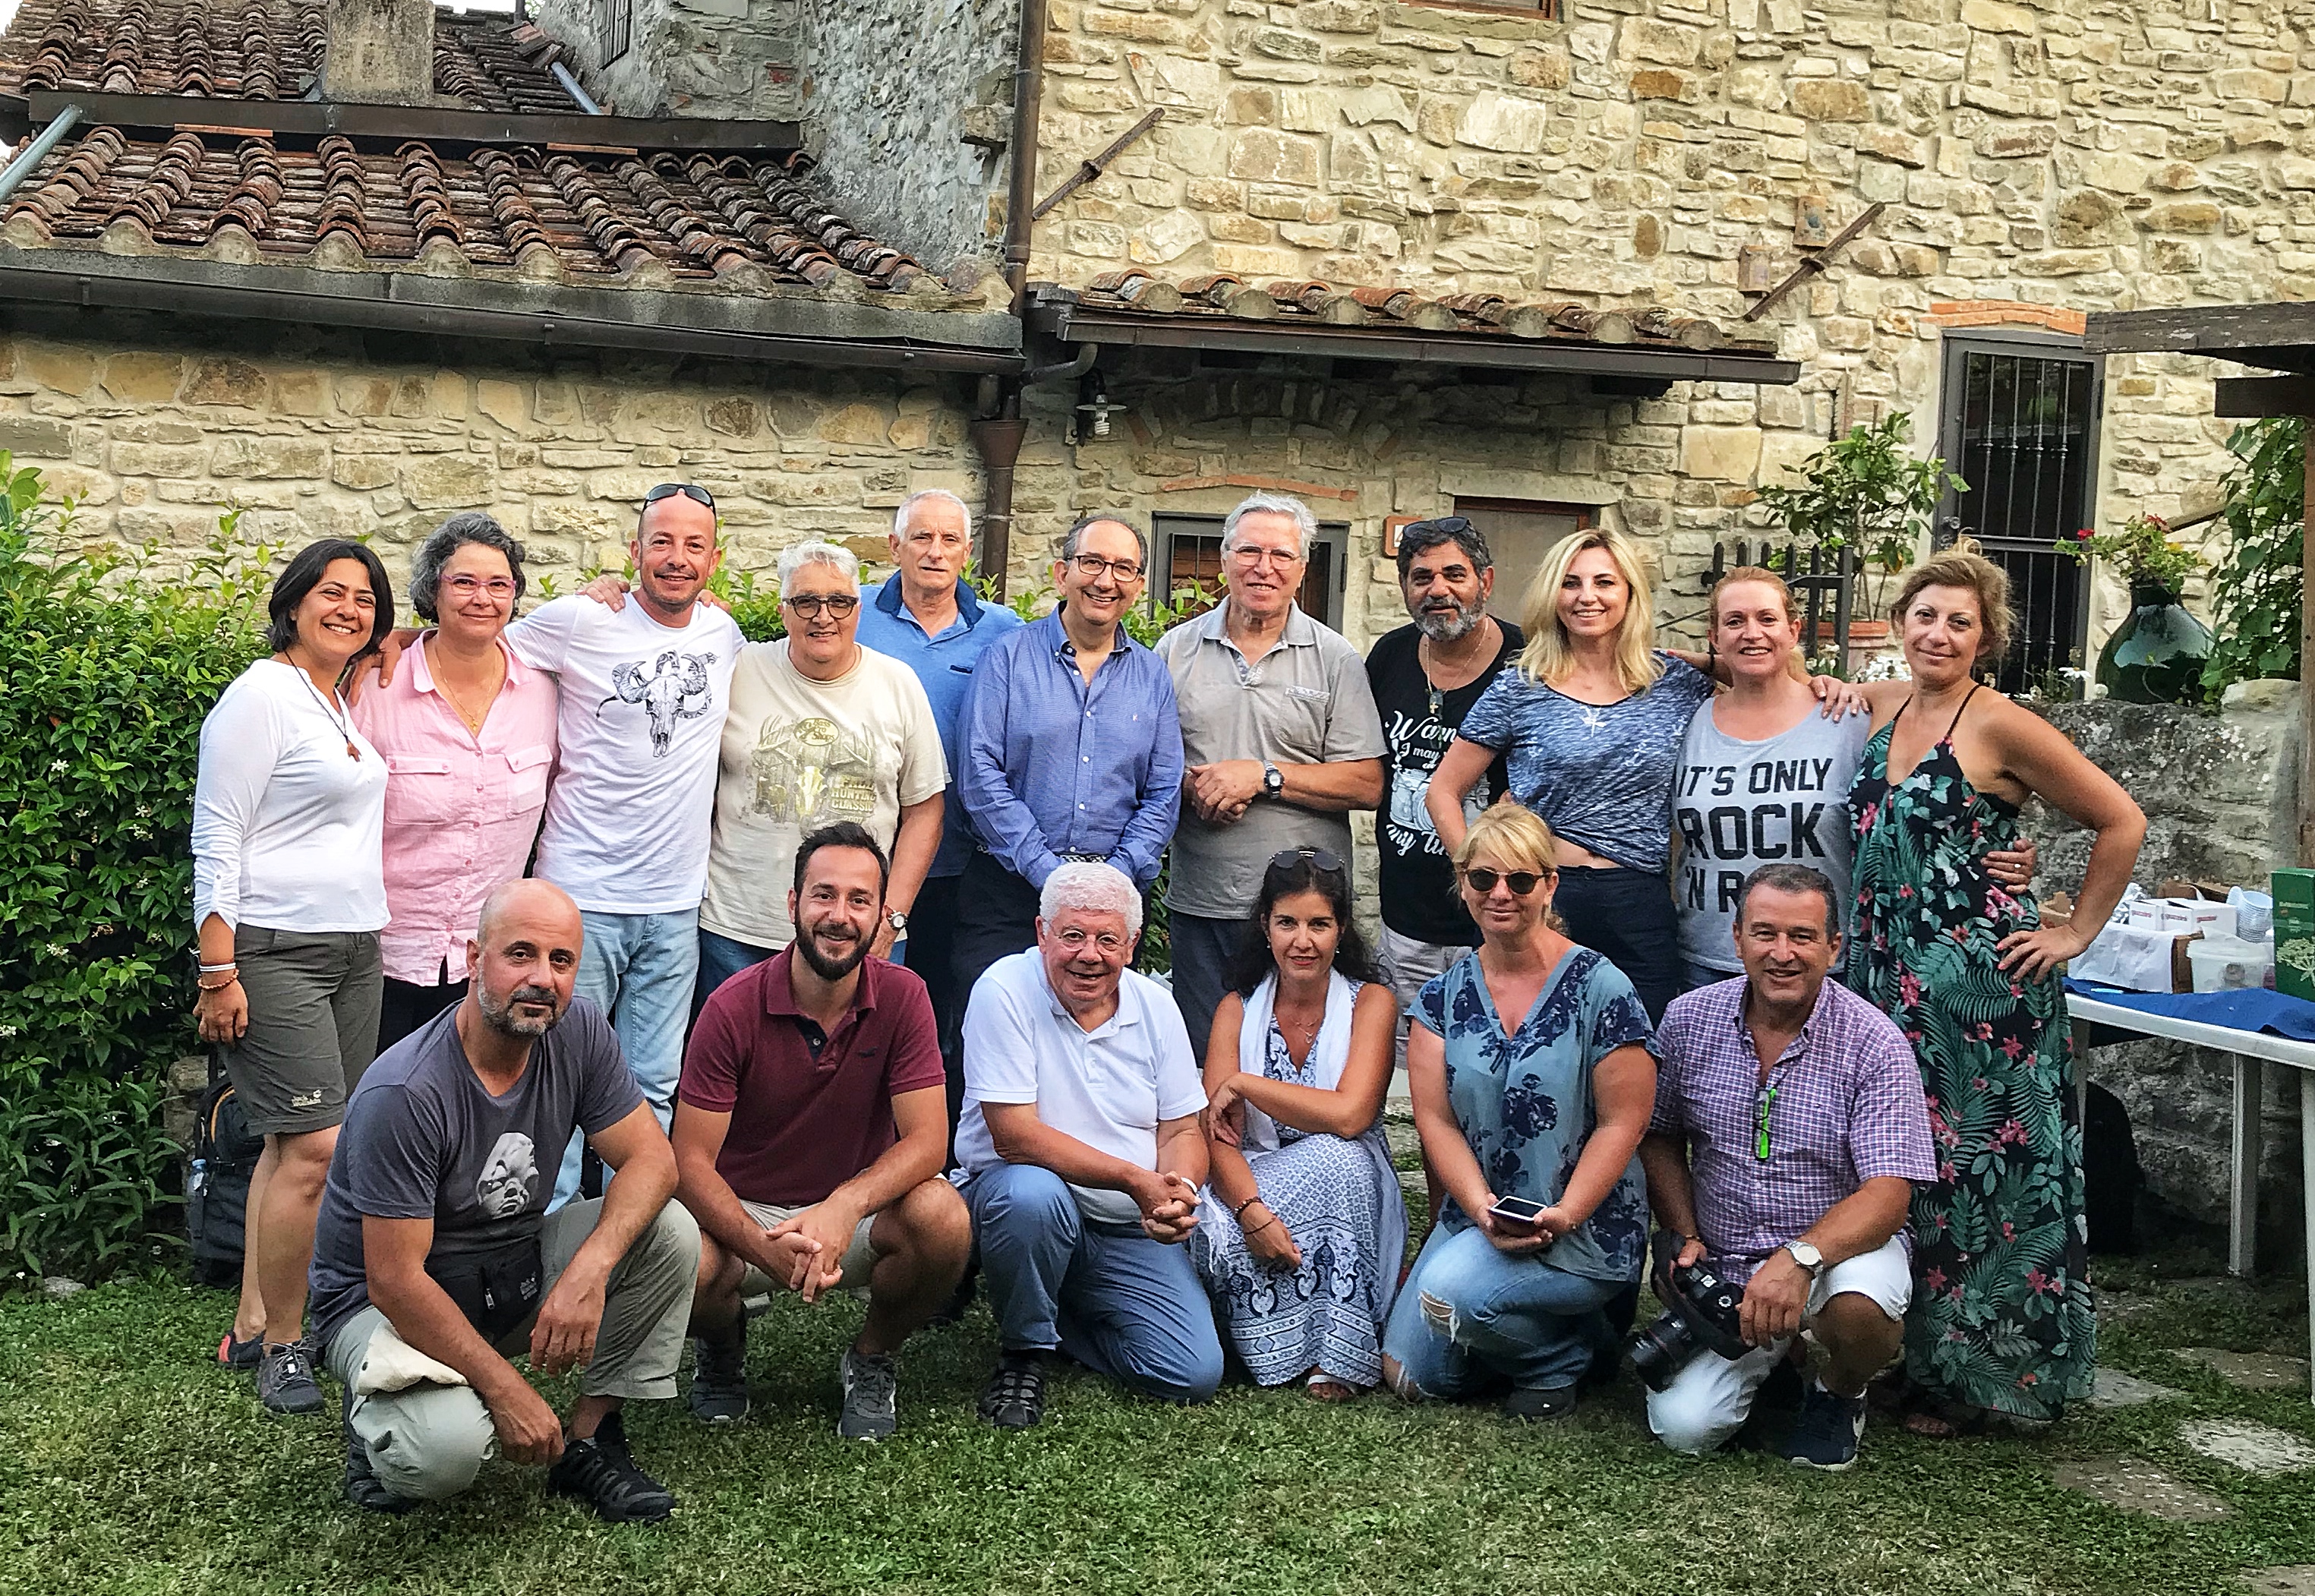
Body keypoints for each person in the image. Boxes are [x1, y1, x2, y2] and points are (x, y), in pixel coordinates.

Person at [1843, 550, 2145, 1435]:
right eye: (1925, 614)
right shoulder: (1882, 704)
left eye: (1958, 621)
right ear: (1900, 619)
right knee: (1911, 1171)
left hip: (1982, 992)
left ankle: (1986, 1378)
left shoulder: (2003, 723)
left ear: (1987, 638)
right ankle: (1914, 1356)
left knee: (1986, 1176)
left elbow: (2120, 818)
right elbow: (1780, 672)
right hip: (1884, 980)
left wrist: (2071, 931)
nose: (1937, 633)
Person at [308, 879, 702, 1522]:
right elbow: (394, 1281)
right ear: (472, 958)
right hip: (380, 1307)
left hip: (506, 1270)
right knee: (442, 1455)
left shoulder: (577, 1032)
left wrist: (588, 1272)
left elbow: (653, 1160)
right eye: (520, 954)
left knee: (668, 1231)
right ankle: (379, 1420)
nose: (542, 978)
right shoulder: (405, 1091)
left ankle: (589, 1439)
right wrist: (507, 1390)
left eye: (561, 960)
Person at [412, 483, 743, 1206]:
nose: (676, 559)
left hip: (675, 907)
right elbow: (470, 642)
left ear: (715, 560)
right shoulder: (576, 620)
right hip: (579, 906)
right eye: (661, 542)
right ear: (634, 552)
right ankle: (538, 1245)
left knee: (652, 1089)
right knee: (549, 1085)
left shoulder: (724, 636)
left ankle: (632, 1246)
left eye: (694, 546)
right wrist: (393, 640)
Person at [1427, 529, 1853, 1024]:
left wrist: (1819, 683)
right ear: (1552, 595)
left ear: (1629, 593)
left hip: (1639, 902)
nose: (1587, 597)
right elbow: (1443, 790)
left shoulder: (1673, 682)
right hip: (1542, 896)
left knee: (1640, 1057)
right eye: (1571, 583)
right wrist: (1477, 880)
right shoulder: (1520, 685)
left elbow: (1761, 671)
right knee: (1537, 1056)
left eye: (1604, 582)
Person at [675, 824, 971, 1440]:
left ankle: (871, 1356)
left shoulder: (904, 995)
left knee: (944, 1218)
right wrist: (761, 1250)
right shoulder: (731, 1006)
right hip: (748, 1213)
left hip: (854, 1210)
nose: (839, 916)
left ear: (880, 915)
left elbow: (927, 1142)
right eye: (823, 895)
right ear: (792, 904)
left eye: (859, 900)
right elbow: (689, 1162)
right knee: (682, 1253)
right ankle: (722, 1346)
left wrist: (845, 1205)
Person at [1639, 863, 1938, 1469]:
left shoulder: (1874, 1042)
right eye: (1764, 933)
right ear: (1736, 938)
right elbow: (1660, 1135)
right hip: (1728, 1267)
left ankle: (1841, 1390)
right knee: (1683, 1429)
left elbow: (1888, 1194)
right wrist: (1684, 1232)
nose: (1782, 953)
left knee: (1862, 1312)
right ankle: (1779, 1360)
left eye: (1802, 937)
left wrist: (1799, 1260)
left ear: (1834, 946)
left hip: (1838, 1253)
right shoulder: (1687, 1020)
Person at [193, 538, 395, 1414]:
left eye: (364, 599)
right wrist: (217, 968)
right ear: (294, 601)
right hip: (274, 950)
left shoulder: (334, 697)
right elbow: (218, 834)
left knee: (295, 1143)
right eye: (331, 593)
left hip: (354, 946)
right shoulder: (262, 695)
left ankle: (250, 1318)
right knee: (313, 1148)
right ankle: (286, 1343)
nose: (348, 609)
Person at [1382, 803, 1655, 1421]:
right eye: (1482, 879)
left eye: (1520, 880)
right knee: (1410, 1377)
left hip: (1584, 1223)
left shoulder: (1601, 988)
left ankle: (1553, 1359)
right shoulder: (1440, 999)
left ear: (1549, 884)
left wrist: (1564, 1215)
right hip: (1482, 1216)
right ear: (1463, 884)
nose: (1499, 893)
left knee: (1455, 1300)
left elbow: (1624, 1122)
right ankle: (1566, 1339)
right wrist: (1479, 1208)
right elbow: (1435, 1122)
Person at [1672, 567, 2036, 995]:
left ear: (1794, 630)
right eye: (1735, 622)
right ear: (1714, 637)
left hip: (1821, 965)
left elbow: (1905, 806)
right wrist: (1693, 664)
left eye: (1767, 619)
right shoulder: (1685, 721)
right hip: (1705, 957)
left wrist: (1987, 847)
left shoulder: (1848, 715)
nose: (1752, 632)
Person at [955, 861, 1220, 1427]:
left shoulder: (1155, 1006)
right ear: (1041, 934)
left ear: (1131, 945)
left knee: (1190, 1373)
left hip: (1125, 1222)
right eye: (1072, 935)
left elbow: (1180, 1130)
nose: (1089, 955)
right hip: (1021, 1196)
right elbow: (1014, 1136)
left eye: (1106, 939)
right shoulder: (1002, 988)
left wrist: (1177, 1190)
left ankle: (1055, 1310)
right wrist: (1135, 1180)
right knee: (1030, 1197)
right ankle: (1024, 1353)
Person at [1156, 492, 1385, 1061]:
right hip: (1202, 901)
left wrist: (1262, 777)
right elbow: (1144, 762)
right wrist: (1197, 786)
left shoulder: (1334, 659)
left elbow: (1367, 783)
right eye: (1249, 551)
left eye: (1281, 555)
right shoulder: (1173, 651)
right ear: (1224, 558)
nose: (1264, 567)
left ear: (1303, 568)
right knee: (1205, 1058)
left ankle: (1299, 1155)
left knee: (1293, 1059)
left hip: (1302, 914)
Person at [954, 512, 1183, 1080]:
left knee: (1096, 1051)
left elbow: (1162, 789)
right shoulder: (1008, 658)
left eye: (1123, 568)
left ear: (1136, 586)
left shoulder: (1152, 676)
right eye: (1092, 563)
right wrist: (1046, 871)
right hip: (1006, 890)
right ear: (1062, 573)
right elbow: (979, 770)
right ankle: (975, 1164)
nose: (1105, 580)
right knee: (990, 1037)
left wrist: (1118, 876)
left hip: (1113, 895)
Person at [1192, 849, 1402, 1398]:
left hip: (1348, 1181)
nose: (1301, 941)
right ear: (1264, 926)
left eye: (1318, 924)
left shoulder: (1371, 1003)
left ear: (1341, 930)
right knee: (1195, 1224)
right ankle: (1260, 1345)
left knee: (1339, 1159)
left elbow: (1351, 1115)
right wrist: (1250, 1212)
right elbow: (1214, 1137)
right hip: (1258, 1184)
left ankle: (1337, 1357)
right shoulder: (1236, 1010)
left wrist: (1244, 1084)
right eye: (1286, 923)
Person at [695, 539, 946, 997]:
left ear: (859, 608)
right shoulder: (738, 668)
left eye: (840, 602)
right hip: (739, 929)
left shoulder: (897, 684)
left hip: (857, 935)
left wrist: (892, 916)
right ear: (783, 609)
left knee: (855, 1066)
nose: (823, 615)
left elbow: (925, 810)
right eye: (806, 601)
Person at [352, 513, 558, 1051]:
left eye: (499, 585)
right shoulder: (374, 687)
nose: (481, 599)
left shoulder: (544, 691)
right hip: (383, 959)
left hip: (491, 967)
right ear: (432, 592)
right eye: (462, 582)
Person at [856, 489, 1023, 1039]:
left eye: (949, 540)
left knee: (944, 1015)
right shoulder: (852, 613)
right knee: (867, 1008)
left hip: (961, 861)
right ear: (894, 545)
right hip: (871, 854)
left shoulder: (1004, 631)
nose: (934, 551)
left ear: (967, 551)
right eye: (921, 537)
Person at [1364, 516, 1524, 1071]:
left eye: (1453, 574)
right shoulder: (1388, 658)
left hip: (1497, 922)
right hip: (1405, 924)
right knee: (1418, 1084)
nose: (1437, 590)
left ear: (1485, 580)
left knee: (1499, 1076)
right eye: (1420, 577)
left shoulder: (1528, 661)